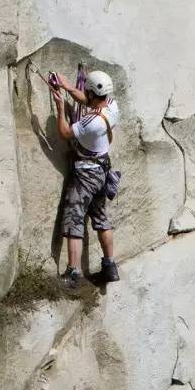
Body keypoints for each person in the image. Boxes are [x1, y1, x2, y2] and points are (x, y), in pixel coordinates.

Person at [51, 70, 120, 287]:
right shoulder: (112, 107)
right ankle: (110, 266)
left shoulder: (90, 123)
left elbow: (64, 132)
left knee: (74, 218)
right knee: (100, 217)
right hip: (102, 171)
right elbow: (89, 101)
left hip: (86, 175)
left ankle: (73, 274)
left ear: (90, 93)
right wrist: (69, 87)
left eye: (86, 92)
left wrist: (61, 107)